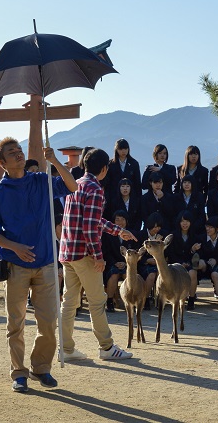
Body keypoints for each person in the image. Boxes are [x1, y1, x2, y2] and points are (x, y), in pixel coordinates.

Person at [0, 138, 77, 392]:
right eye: (11, 153)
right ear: (2, 163)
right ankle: (18, 373)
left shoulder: (41, 181)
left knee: (48, 322)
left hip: (46, 262)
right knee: (16, 322)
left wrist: (55, 161)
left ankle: (41, 368)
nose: (18, 155)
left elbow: (72, 187)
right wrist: (15, 247)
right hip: (15, 265)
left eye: (19, 150)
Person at [59, 147, 137, 363]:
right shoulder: (95, 189)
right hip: (84, 254)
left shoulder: (76, 184)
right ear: (104, 169)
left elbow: (91, 220)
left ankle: (65, 348)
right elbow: (90, 226)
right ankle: (107, 347)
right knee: (97, 301)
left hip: (67, 252)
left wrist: (118, 230)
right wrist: (98, 256)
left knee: (69, 301)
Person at [164, 211, 204, 311]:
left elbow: (198, 255)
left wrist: (192, 251)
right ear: (179, 222)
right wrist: (180, 263)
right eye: (182, 221)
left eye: (187, 221)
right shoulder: (173, 235)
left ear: (191, 223)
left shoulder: (195, 236)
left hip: (190, 263)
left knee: (192, 272)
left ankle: (191, 299)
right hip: (175, 263)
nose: (184, 224)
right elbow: (170, 253)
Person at [102, 210, 130, 313]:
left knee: (128, 275)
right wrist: (115, 263)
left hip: (127, 263)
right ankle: (109, 301)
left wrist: (125, 262)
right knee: (114, 274)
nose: (120, 222)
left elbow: (134, 251)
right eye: (117, 219)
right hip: (112, 263)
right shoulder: (108, 235)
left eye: (122, 219)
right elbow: (106, 252)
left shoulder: (131, 234)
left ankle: (130, 300)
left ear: (126, 221)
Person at [104, 138, 141, 204]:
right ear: (116, 150)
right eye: (121, 149)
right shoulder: (110, 164)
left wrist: (138, 198)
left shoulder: (134, 163)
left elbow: (137, 183)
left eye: (125, 149)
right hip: (114, 198)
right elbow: (108, 183)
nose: (123, 151)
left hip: (130, 197)